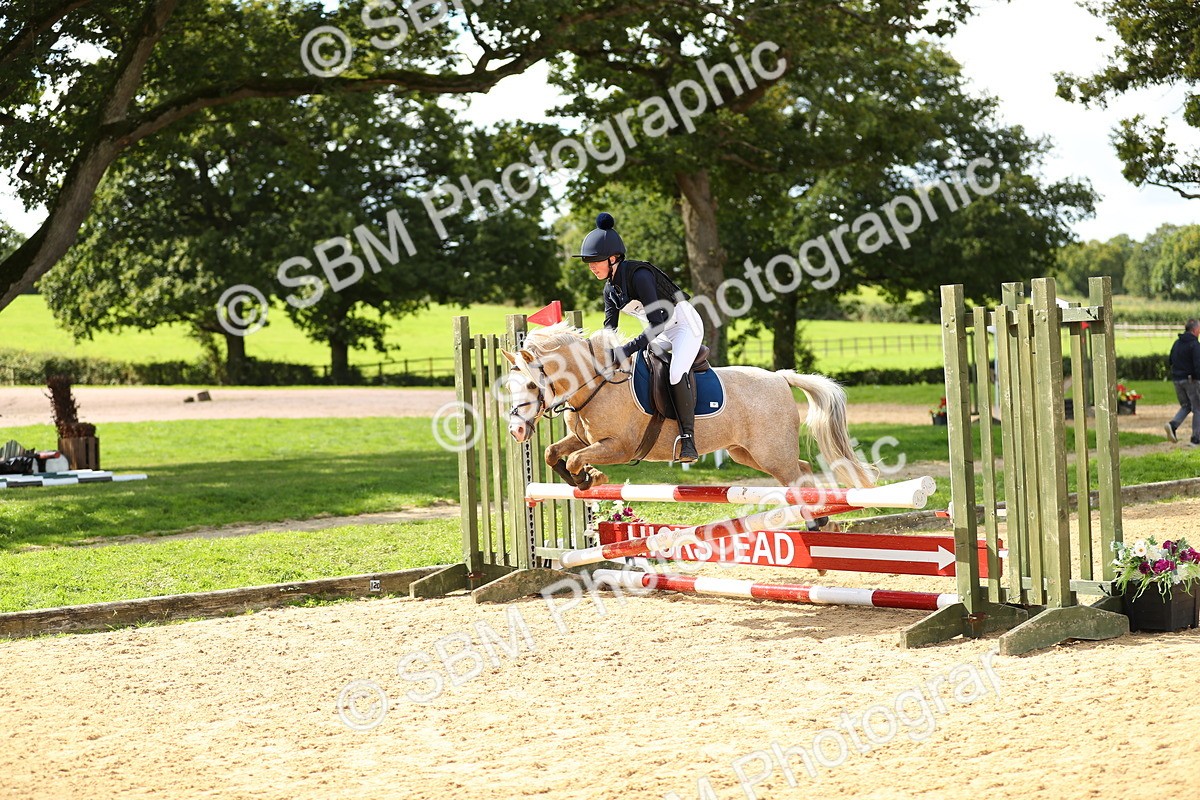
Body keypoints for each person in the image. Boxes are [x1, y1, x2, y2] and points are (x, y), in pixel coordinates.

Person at [573, 212, 705, 462]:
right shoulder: (610, 289)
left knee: (676, 372)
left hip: (684, 326)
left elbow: (658, 322)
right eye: (588, 261)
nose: (591, 266)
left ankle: (688, 439)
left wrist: (627, 349)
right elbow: (609, 329)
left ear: (613, 259)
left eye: (596, 260)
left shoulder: (639, 275)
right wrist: (596, 354)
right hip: (659, 331)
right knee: (641, 369)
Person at [1165, 318, 1200, 445]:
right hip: (1191, 380)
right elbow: (1198, 364)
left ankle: (1172, 425)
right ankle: (1196, 439)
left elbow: (1170, 361)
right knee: (1198, 408)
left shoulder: (1176, 343)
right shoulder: (1195, 344)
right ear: (1195, 329)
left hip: (1177, 379)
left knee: (1186, 406)